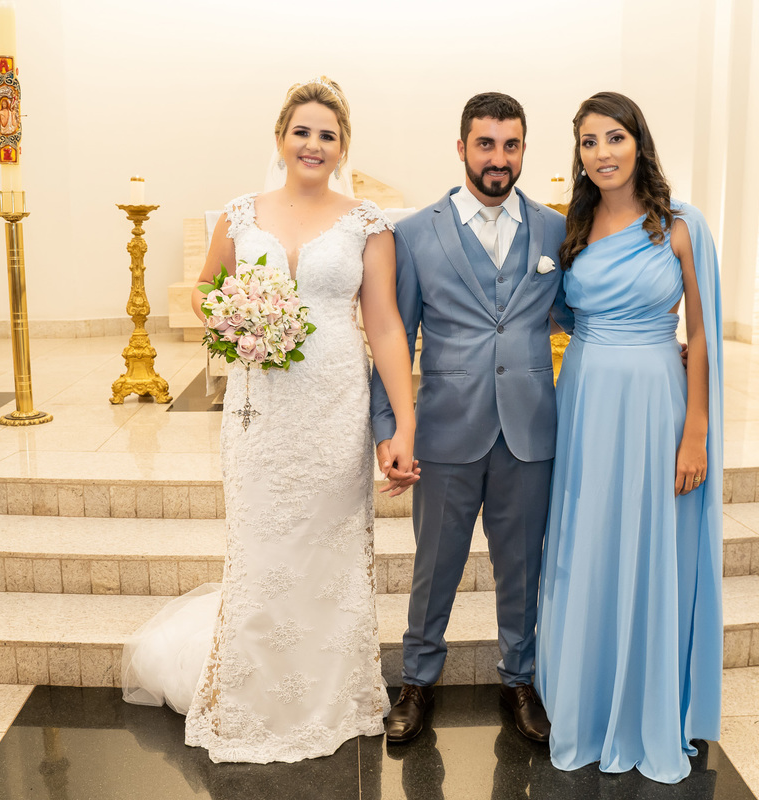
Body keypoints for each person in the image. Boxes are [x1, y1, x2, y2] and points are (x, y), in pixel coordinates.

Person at [121, 76, 419, 765]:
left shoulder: (367, 223)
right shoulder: (240, 214)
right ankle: (251, 694)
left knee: (329, 548)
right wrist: (231, 315)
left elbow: (384, 325)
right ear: (281, 138)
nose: (314, 144)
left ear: (343, 146)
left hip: (334, 410)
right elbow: (203, 288)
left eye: (328, 134)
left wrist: (402, 424)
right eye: (303, 131)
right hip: (260, 415)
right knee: (262, 546)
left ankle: (332, 694)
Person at [370, 93, 573, 744]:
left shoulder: (551, 229)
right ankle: (417, 681)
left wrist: (658, 339)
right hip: (447, 428)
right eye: (485, 144)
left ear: (523, 150)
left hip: (529, 430)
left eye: (510, 145)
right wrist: (388, 429)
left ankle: (520, 678)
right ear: (461, 148)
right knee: (436, 565)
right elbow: (393, 337)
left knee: (522, 564)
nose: (498, 158)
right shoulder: (414, 233)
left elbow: (580, 316)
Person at [534, 91, 724, 784]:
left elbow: (700, 334)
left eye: (615, 137)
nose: (603, 152)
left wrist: (695, 430)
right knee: (588, 543)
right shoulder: (573, 230)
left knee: (647, 545)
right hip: (584, 398)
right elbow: (553, 316)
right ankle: (585, 699)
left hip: (654, 403)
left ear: (639, 142)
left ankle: (645, 704)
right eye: (589, 142)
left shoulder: (679, 227)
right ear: (579, 156)